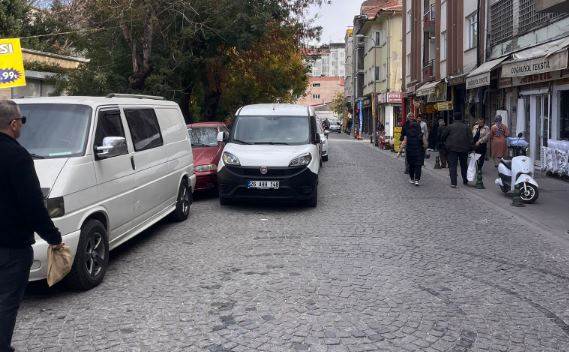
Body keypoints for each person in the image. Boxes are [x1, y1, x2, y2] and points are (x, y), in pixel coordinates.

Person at [0, 100, 64, 352]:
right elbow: (32, 206)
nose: (22, 126)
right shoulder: (17, 156)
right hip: (12, 246)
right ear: (14, 123)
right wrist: (53, 237)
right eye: (22, 121)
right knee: (6, 301)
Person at [441, 112, 473, 188]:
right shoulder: (466, 127)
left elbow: (443, 136)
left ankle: (453, 182)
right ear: (461, 118)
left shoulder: (450, 127)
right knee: (464, 165)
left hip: (452, 149)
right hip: (464, 149)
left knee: (453, 166)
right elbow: (471, 139)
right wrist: (470, 147)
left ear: (454, 118)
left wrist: (445, 144)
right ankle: (465, 180)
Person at [400, 115, 426, 186]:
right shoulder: (421, 134)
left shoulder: (407, 134)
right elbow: (425, 144)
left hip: (410, 152)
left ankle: (412, 179)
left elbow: (404, 143)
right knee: (418, 165)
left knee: (411, 165)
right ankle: (417, 180)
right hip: (419, 152)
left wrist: (399, 152)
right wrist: (424, 148)